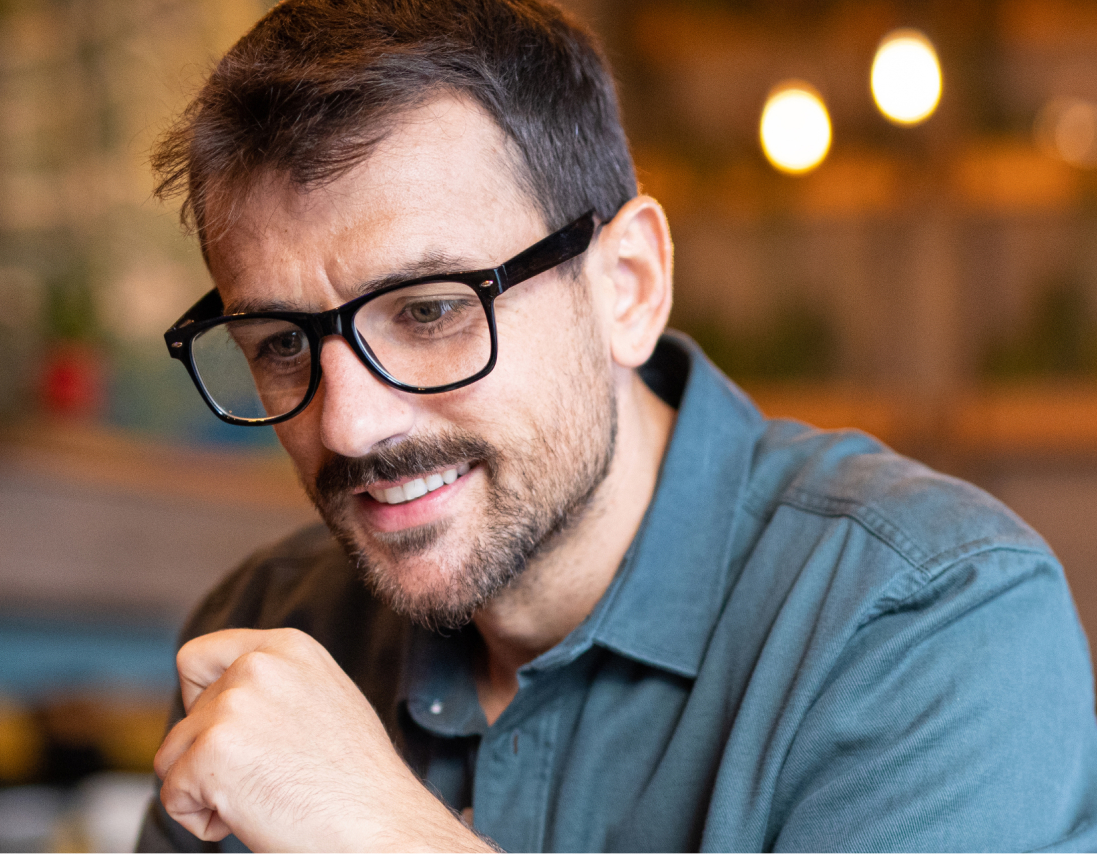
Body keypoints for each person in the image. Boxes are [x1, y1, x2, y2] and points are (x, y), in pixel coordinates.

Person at [137, 0, 1097, 850]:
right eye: (282, 343)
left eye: (429, 311)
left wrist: (378, 831)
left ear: (627, 289)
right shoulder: (264, 628)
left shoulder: (929, 619)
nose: (348, 427)